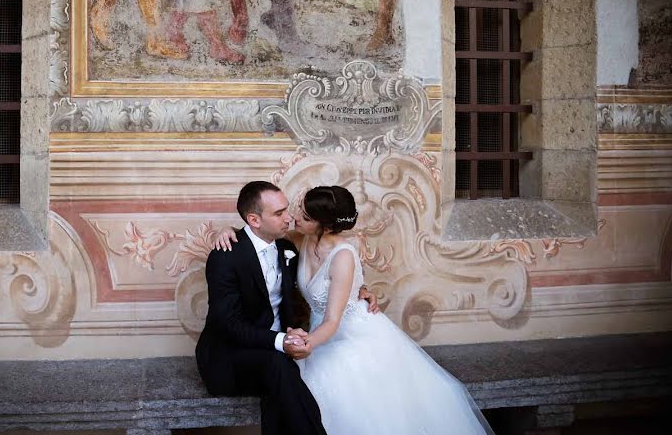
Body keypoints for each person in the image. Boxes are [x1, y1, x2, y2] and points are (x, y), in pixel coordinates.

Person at [216, 185, 495, 435]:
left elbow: (335, 311)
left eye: (303, 215)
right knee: (296, 381)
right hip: (310, 334)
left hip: (347, 334)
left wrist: (307, 340)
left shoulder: (329, 252)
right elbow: (254, 235)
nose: (293, 217)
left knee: (327, 386)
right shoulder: (297, 241)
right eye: (291, 210)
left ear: (323, 225)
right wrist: (228, 232)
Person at [195, 181, 379, 435]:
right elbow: (229, 324)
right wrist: (283, 341)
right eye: (279, 213)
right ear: (254, 220)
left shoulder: (287, 247)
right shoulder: (226, 256)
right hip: (228, 357)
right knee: (280, 367)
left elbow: (331, 269)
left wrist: (359, 288)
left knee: (280, 380)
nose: (289, 218)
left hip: (279, 353)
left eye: (287, 210)